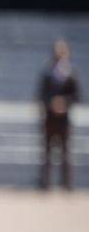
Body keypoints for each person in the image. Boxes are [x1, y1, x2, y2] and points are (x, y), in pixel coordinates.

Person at [39, 39, 80, 190]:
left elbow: (77, 96)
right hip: (50, 118)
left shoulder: (72, 74)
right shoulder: (47, 72)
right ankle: (45, 183)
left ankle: (67, 184)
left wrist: (64, 103)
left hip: (64, 120)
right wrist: (51, 103)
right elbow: (41, 94)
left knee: (65, 153)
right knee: (47, 153)